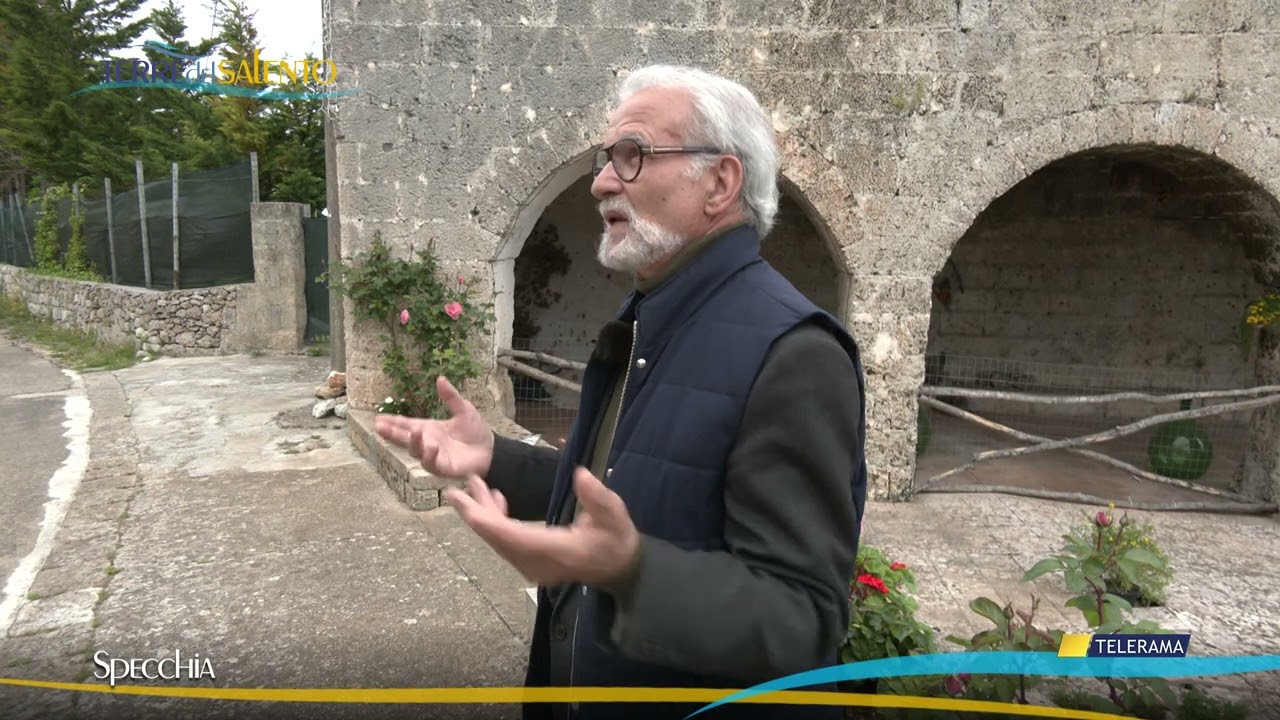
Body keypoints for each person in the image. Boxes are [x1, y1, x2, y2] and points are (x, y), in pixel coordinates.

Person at [375, 64, 868, 720]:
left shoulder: (796, 354)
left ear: (719, 182)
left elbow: (803, 622)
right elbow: (629, 483)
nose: (602, 180)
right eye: (608, 158)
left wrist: (634, 572)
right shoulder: (651, 318)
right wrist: (493, 457)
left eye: (632, 156)